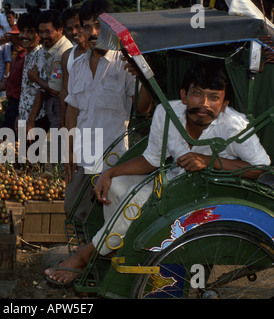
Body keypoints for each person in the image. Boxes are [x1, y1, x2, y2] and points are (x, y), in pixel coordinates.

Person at [45, 60, 271, 284]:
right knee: (117, 186)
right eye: (197, 94)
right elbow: (152, 159)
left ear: (223, 104)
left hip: (208, 195)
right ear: (184, 95)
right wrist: (110, 173)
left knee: (139, 201)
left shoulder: (234, 125)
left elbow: (261, 168)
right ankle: (114, 248)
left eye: (214, 97)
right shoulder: (166, 112)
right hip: (174, 183)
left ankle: (87, 255)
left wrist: (210, 161)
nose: (204, 104)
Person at [63, 0, 151, 222]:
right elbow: (72, 111)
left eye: (98, 26)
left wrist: (145, 76)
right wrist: (68, 151)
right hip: (82, 156)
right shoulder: (76, 65)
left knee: (110, 216)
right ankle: (81, 254)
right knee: (73, 210)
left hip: (114, 158)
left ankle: (100, 256)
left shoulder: (125, 63)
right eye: (87, 26)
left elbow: (142, 108)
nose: (93, 33)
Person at [27, 9, 72, 130]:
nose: (43, 36)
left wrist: (35, 78)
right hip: (52, 105)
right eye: (40, 32)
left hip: (59, 105)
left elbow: (55, 89)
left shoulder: (61, 52)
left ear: (60, 30)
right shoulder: (51, 47)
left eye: (48, 32)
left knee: (60, 145)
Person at [16, 13, 50, 133]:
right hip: (25, 117)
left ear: (38, 35)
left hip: (37, 120)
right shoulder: (28, 54)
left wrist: (31, 121)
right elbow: (26, 91)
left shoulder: (41, 55)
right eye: (22, 31)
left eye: (30, 32)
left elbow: (41, 91)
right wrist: (20, 116)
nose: (24, 36)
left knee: (31, 152)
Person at [59, 7, 88, 128]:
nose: (74, 32)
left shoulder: (100, 54)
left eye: (78, 27)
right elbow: (65, 90)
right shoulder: (67, 56)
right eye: (70, 29)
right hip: (73, 116)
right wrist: (63, 120)